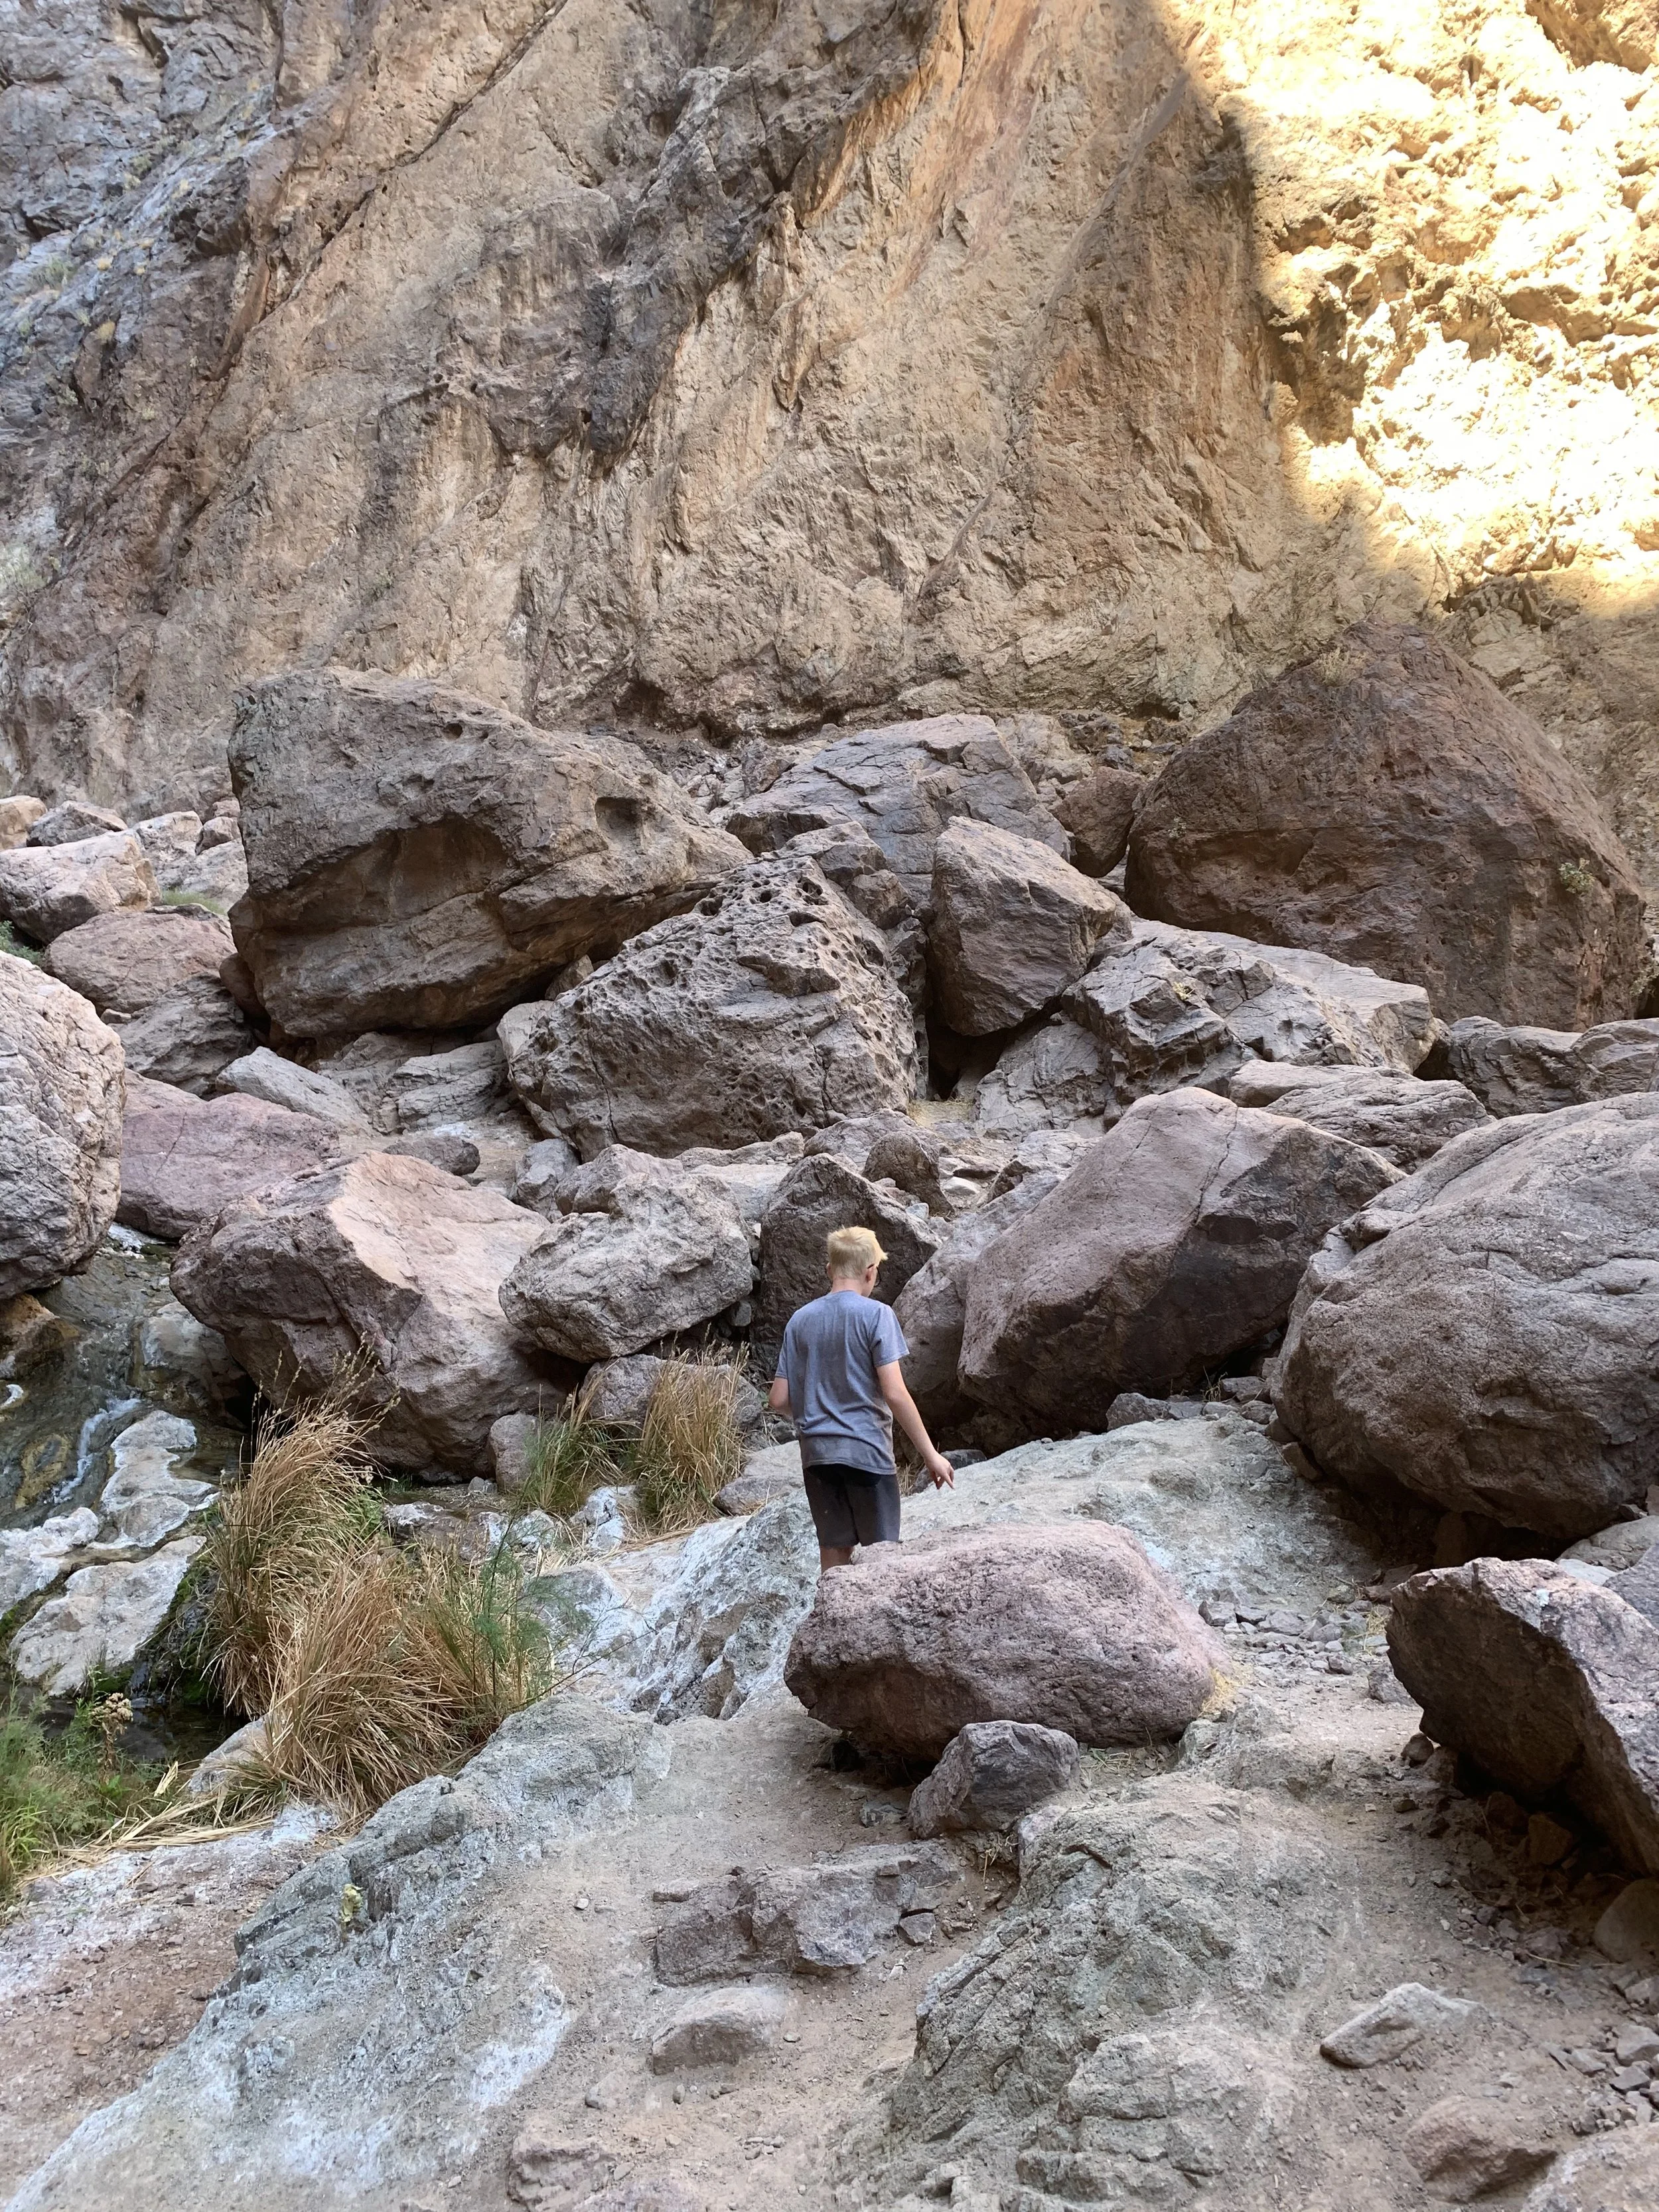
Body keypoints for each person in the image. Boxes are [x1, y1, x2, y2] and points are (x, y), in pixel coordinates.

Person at [768, 1224, 956, 1572]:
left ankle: (829, 1623)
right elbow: (895, 1393)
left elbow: (779, 1400)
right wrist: (931, 1455)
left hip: (818, 1458)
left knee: (835, 1556)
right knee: (881, 1560)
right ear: (871, 1272)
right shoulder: (877, 1315)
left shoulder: (800, 1320)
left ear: (829, 1270)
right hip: (866, 1454)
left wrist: (817, 1408)